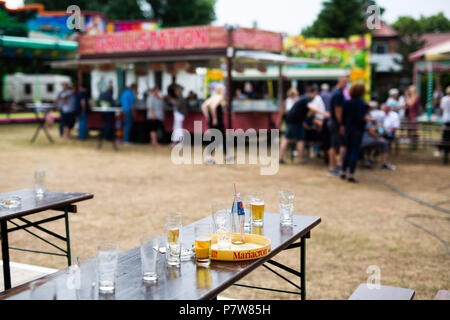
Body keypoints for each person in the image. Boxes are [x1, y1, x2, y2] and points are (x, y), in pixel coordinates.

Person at [279, 84, 330, 165]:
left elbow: (308, 112)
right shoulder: (307, 98)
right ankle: (301, 160)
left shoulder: (303, 97)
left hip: (289, 119)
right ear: (315, 92)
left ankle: (280, 158)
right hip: (296, 121)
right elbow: (311, 107)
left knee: (286, 138)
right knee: (300, 140)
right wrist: (324, 113)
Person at [340, 82, 371, 183]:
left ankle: (343, 171)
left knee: (348, 150)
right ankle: (351, 174)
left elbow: (343, 119)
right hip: (357, 130)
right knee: (354, 151)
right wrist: (371, 119)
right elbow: (361, 117)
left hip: (348, 130)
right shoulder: (361, 103)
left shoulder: (347, 102)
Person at [327, 76, 349, 176]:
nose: (346, 84)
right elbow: (338, 111)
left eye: (347, 82)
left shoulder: (337, 92)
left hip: (334, 122)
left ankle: (335, 166)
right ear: (339, 81)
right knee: (333, 146)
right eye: (344, 82)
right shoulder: (338, 94)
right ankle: (331, 168)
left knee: (337, 145)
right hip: (335, 123)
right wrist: (342, 124)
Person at [201, 84, 227, 164]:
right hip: (217, 120)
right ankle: (226, 156)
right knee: (221, 137)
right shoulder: (220, 97)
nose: (225, 92)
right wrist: (215, 118)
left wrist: (208, 117)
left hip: (213, 120)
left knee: (215, 138)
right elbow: (213, 107)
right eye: (224, 90)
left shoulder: (213, 97)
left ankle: (210, 157)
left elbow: (203, 106)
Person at [439, 86, 450, 155]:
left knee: (445, 136)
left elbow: (442, 108)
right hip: (447, 118)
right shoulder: (444, 99)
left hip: (446, 118)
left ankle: (442, 150)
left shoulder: (444, 99)